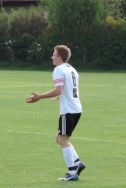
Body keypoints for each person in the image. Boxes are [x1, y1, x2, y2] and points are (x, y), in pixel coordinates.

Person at [26, 45, 85, 181]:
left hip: (68, 110)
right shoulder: (71, 69)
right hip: (76, 109)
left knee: (64, 140)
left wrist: (39, 97)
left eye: (54, 54)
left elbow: (59, 89)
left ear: (59, 57)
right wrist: (60, 95)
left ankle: (72, 173)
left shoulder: (58, 69)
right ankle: (77, 164)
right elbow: (68, 88)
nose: (52, 57)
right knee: (59, 138)